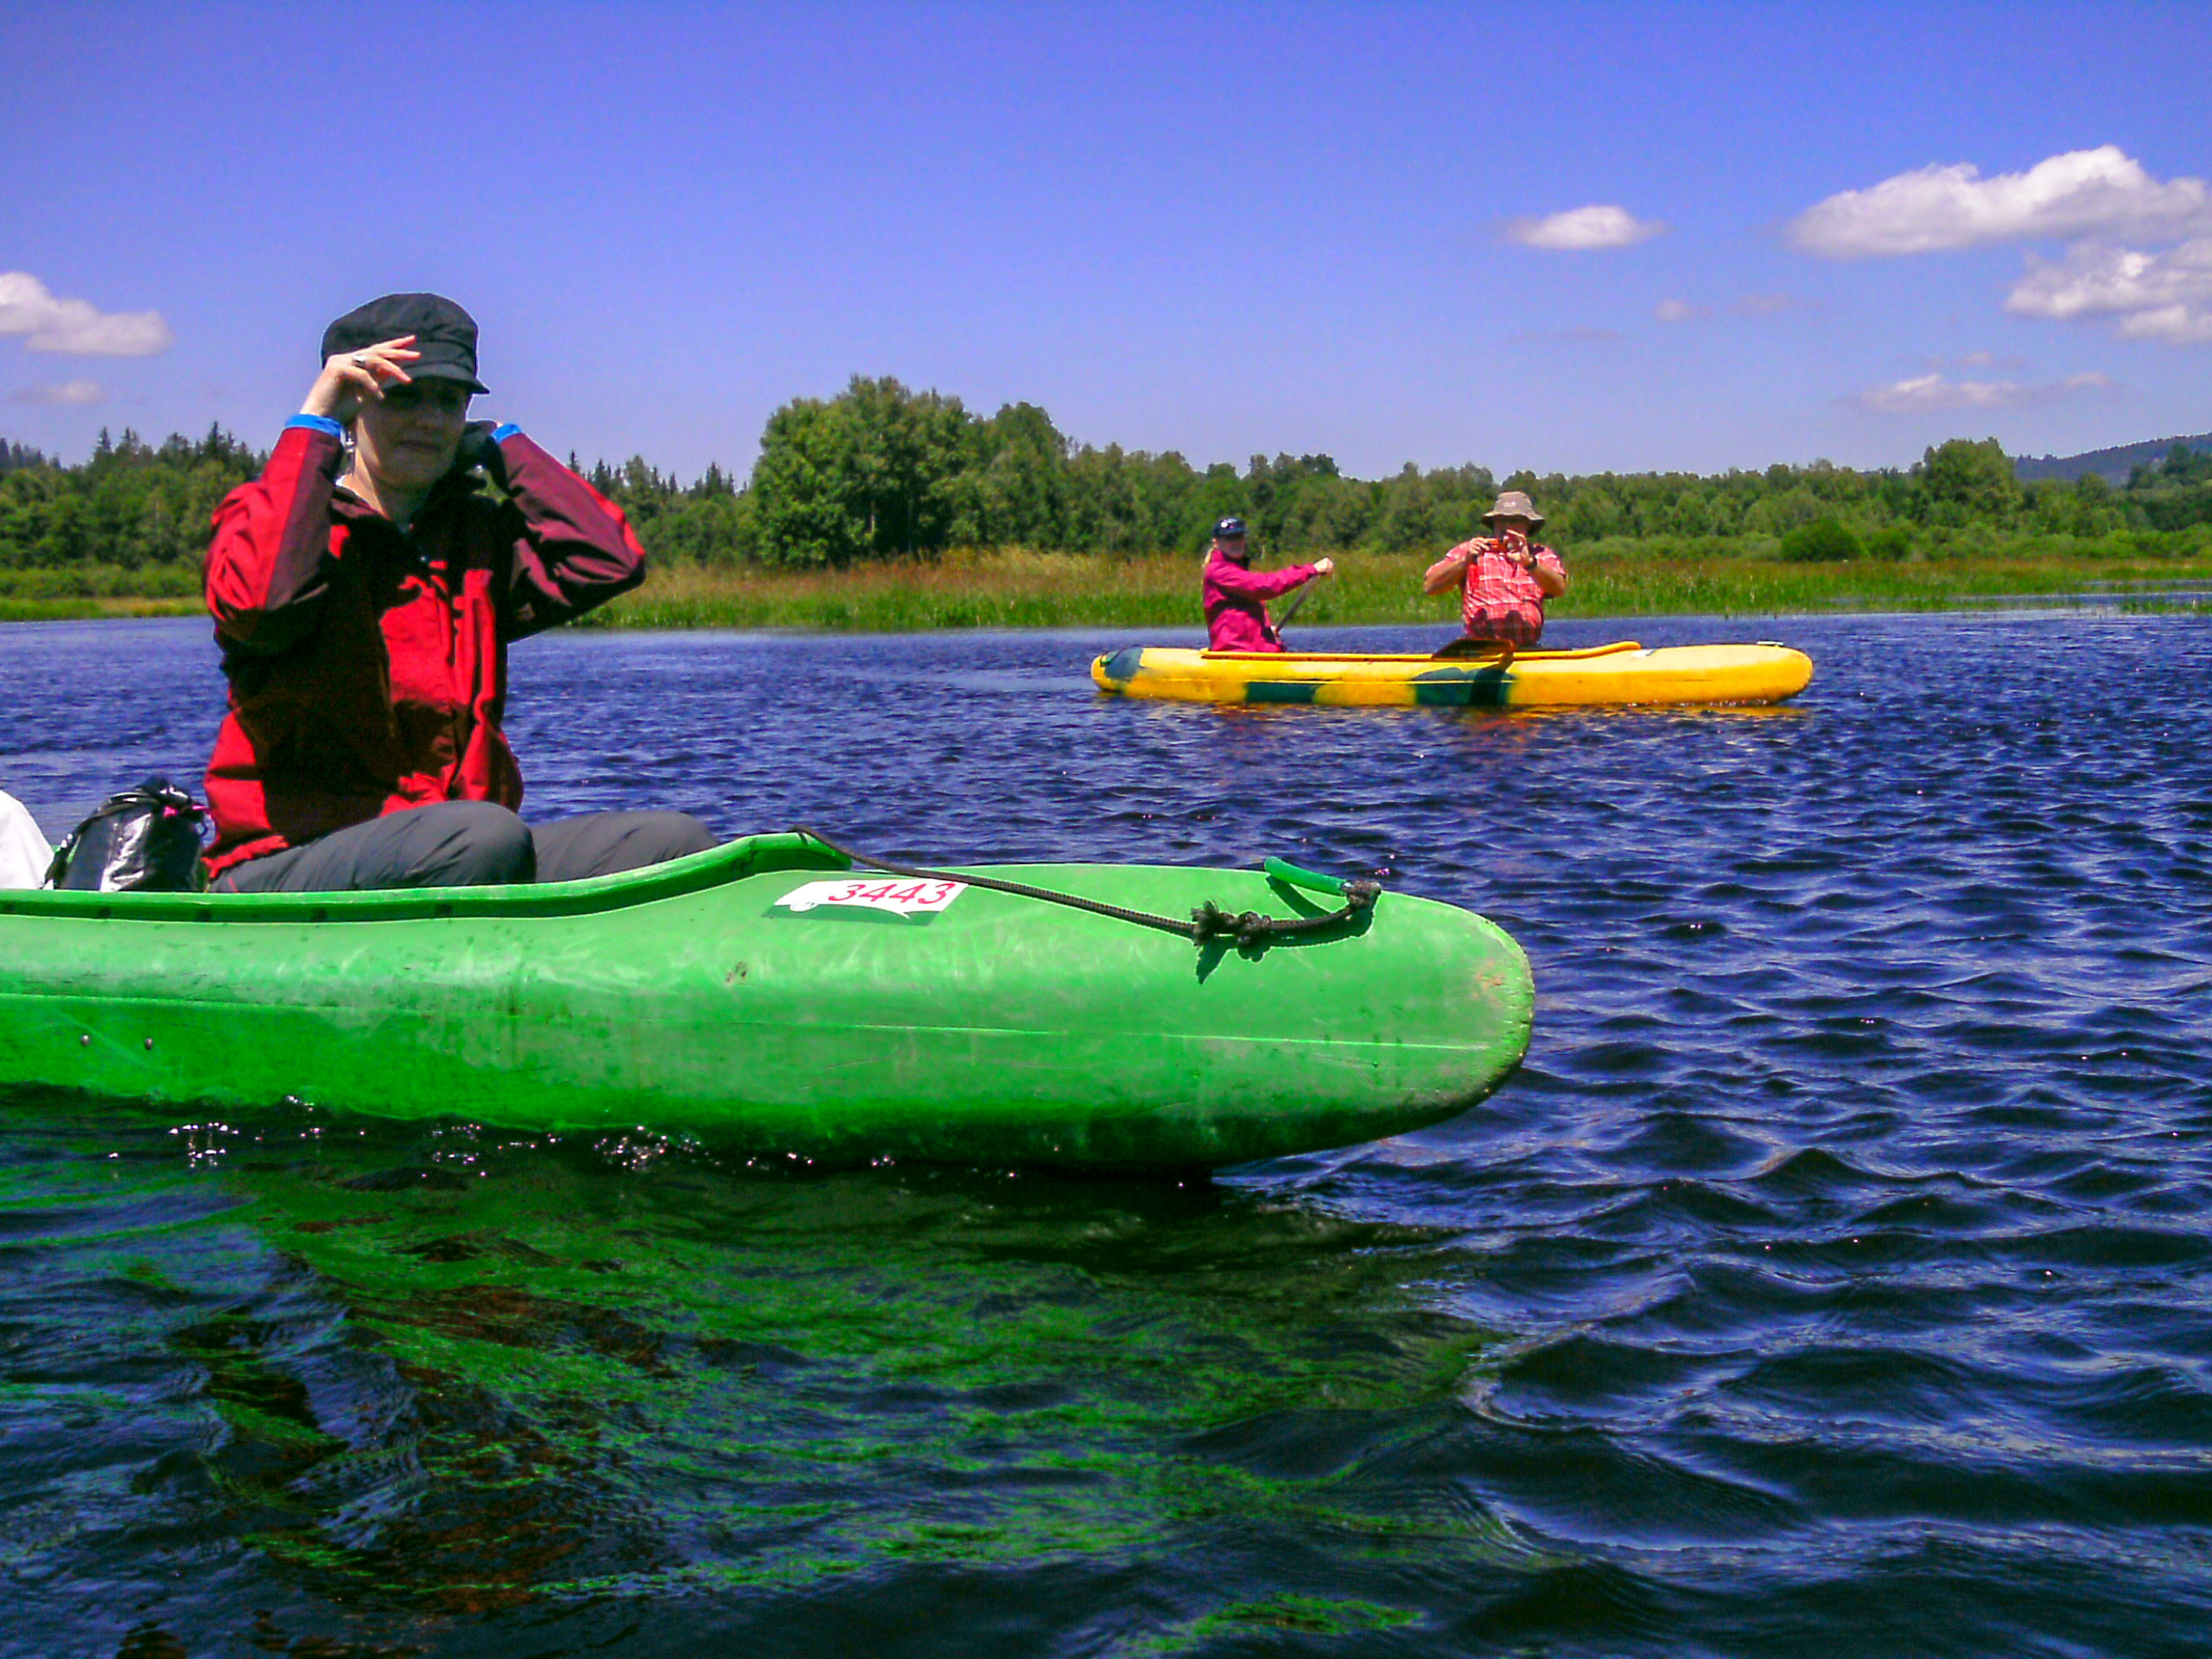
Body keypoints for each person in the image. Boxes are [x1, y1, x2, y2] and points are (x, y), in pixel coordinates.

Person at [200, 292, 715, 892]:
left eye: (448, 401)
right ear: (353, 405)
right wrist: (315, 422)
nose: (430, 419)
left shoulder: (474, 540)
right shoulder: (272, 522)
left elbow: (608, 559)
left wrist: (503, 446)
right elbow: (261, 604)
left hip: (460, 850)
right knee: (483, 837)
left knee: (675, 845)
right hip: (291, 862)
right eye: (404, 396)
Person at [1422, 489, 1568, 648]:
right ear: (1494, 523)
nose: (1508, 526)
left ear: (1528, 525)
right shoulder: (1472, 550)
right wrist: (1465, 562)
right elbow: (1430, 586)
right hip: (1482, 651)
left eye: (1516, 520)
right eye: (1502, 520)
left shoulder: (1540, 555)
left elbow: (1559, 588)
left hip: (1527, 650)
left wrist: (1530, 564)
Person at [1201, 517, 1333, 652]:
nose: (1236, 542)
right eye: (1230, 538)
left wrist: (1264, 631)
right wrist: (1311, 570)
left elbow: (1243, 615)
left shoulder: (1237, 571)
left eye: (1239, 537)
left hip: (1253, 652)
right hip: (1236, 653)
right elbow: (1264, 586)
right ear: (1216, 542)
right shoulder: (1219, 572)